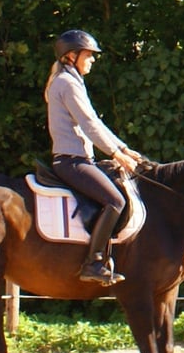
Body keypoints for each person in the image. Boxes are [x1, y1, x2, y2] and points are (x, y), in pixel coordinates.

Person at [44, 29, 144, 286]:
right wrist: (114, 154)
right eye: (89, 55)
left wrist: (122, 148)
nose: (93, 60)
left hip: (80, 159)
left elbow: (95, 124)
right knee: (115, 201)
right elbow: (89, 124)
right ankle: (93, 262)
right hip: (71, 162)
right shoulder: (66, 83)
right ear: (71, 56)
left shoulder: (72, 80)